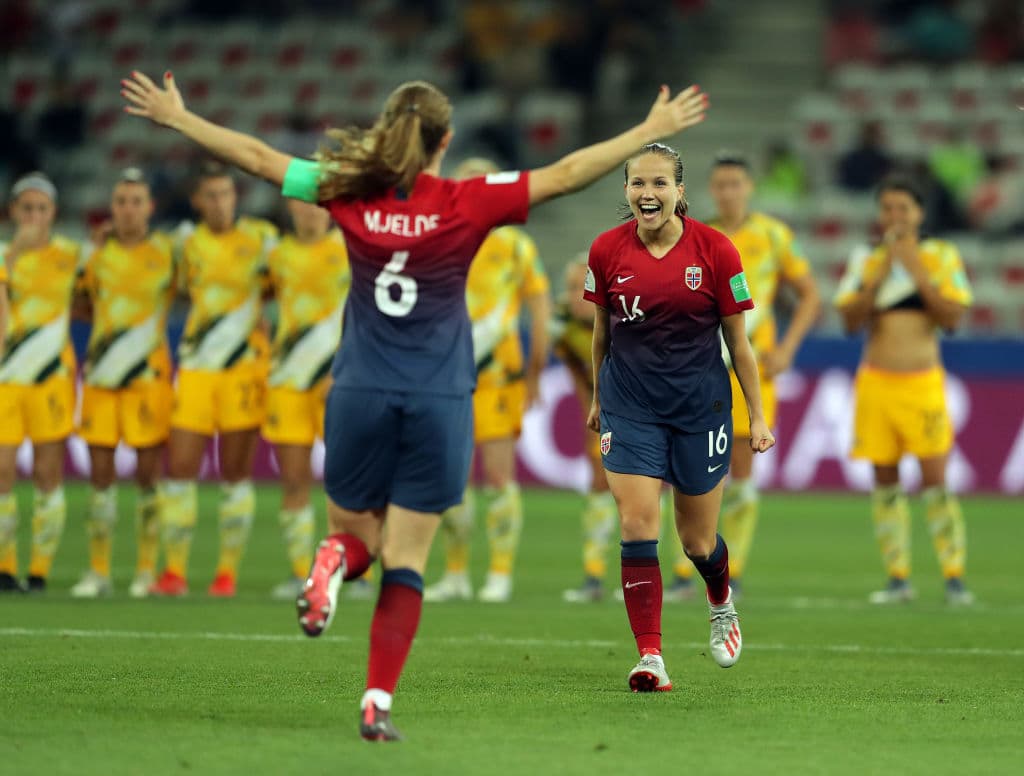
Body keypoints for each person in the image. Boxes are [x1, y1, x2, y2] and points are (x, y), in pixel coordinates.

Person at [122, 69, 707, 740]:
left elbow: (258, 159)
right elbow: (568, 172)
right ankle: (376, 702)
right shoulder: (466, 200)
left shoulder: (346, 188)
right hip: (438, 397)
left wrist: (180, 118)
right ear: (446, 139)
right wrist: (648, 132)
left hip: (359, 391)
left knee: (358, 537)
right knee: (406, 561)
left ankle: (335, 559)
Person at [583, 142, 775, 693]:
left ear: (680, 191)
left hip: (700, 407)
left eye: (659, 184)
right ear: (626, 191)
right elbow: (603, 332)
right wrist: (599, 397)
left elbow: (739, 345)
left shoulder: (716, 251)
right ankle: (650, 657)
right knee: (638, 523)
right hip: (630, 403)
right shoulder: (605, 252)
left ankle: (720, 600)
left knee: (697, 542)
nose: (648, 194)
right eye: (638, 184)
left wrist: (756, 417)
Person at [666, 151, 820, 600]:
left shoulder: (773, 236)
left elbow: (810, 296)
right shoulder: (696, 235)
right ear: (707, 191)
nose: (727, 192)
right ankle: (684, 568)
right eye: (720, 185)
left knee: (742, 472)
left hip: (751, 367)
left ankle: (732, 570)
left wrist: (788, 348)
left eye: (735, 184)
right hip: (700, 366)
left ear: (749, 187)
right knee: (692, 470)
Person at [834, 175, 974, 606]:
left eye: (904, 208)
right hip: (876, 382)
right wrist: (878, 277)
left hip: (922, 384)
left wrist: (916, 271)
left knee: (936, 480)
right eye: (888, 209)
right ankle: (898, 577)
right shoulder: (866, 260)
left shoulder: (940, 256)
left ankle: (953, 575)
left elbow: (951, 318)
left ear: (920, 213)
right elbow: (850, 321)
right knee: (885, 480)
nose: (895, 217)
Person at [149, 160, 278, 598]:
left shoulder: (262, 239)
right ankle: (175, 572)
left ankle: (226, 575)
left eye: (227, 194)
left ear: (235, 197)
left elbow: (285, 284)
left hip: (244, 370)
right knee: (180, 470)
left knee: (235, 474)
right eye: (212, 196)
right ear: (197, 201)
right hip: (198, 368)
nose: (221, 203)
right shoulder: (184, 244)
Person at [424, 157, 550, 604]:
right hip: (446, 377)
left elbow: (539, 309)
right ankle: (455, 573)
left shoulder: (515, 245)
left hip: (497, 379)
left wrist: (535, 370)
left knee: (498, 477)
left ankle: (499, 574)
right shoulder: (437, 239)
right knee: (450, 480)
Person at [70, 168, 176, 598]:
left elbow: (194, 294)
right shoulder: (95, 256)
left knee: (149, 479)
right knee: (99, 477)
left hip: (149, 381)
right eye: (121, 202)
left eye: (136, 201)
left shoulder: (168, 253)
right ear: (111, 210)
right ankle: (98, 571)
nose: (128, 209)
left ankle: (146, 570)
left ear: (149, 207)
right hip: (101, 378)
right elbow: (77, 303)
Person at [262, 198, 350, 601]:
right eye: (303, 205)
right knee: (294, 480)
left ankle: (352, 571)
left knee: (346, 481)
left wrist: (350, 365)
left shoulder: (349, 250)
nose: (311, 212)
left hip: (337, 380)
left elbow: (365, 312)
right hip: (288, 380)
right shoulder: (276, 255)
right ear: (291, 210)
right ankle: (304, 573)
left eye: (317, 205)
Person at [0, 172, 81, 593]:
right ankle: (5, 566)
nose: (33, 217)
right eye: (25, 209)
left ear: (53, 214)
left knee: (49, 474)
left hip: (51, 379)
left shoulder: (71, 255)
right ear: (13, 212)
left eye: (41, 209)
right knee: (2, 471)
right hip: (5, 380)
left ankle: (40, 569)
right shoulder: (0, 255)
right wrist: (12, 253)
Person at [556, 256, 618, 603]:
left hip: (642, 406)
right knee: (598, 483)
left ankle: (671, 576)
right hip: (605, 406)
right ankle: (593, 577)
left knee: (647, 491)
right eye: (570, 288)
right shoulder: (560, 320)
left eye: (583, 289)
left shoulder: (618, 318)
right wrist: (591, 413)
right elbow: (577, 369)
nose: (576, 296)